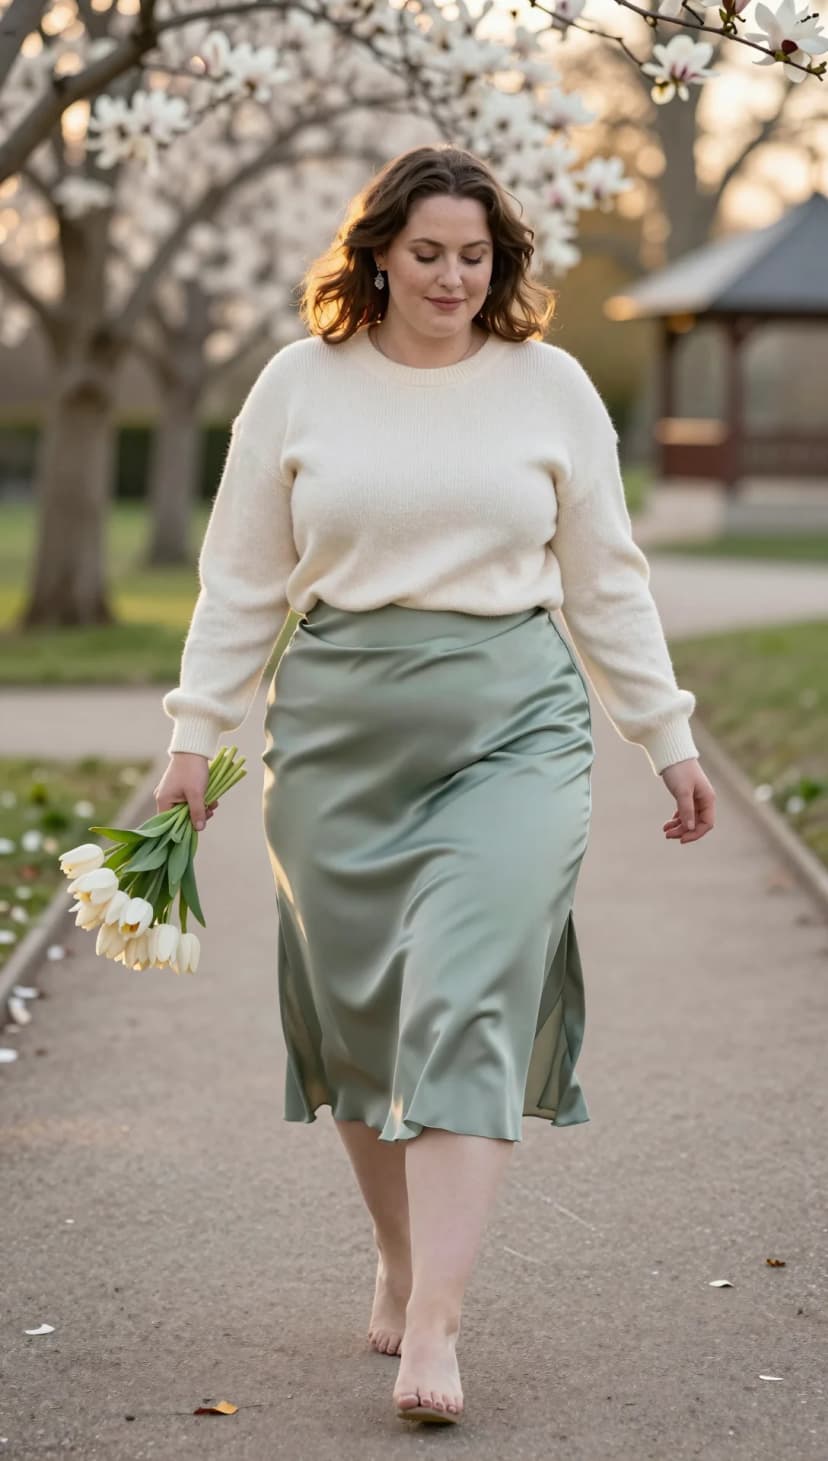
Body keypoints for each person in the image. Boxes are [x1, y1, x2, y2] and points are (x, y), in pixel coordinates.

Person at [155, 143, 716, 1427]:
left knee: (466, 996)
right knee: (364, 1022)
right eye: (427, 254)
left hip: (514, 729)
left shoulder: (552, 387)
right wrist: (195, 735)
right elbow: (240, 577)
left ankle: (440, 1336)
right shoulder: (301, 385)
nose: (452, 277)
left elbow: (606, 580)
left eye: (475, 255)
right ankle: (403, 1266)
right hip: (339, 741)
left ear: (499, 262)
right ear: (377, 256)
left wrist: (666, 739)